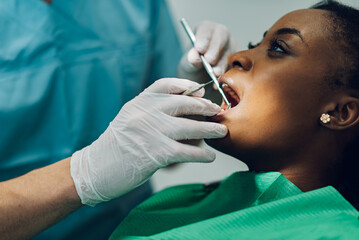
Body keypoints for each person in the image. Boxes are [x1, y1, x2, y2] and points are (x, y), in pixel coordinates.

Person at [109, 1, 359, 239]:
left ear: (340, 113)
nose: (237, 56)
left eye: (278, 48)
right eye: (255, 44)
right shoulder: (177, 202)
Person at [0, 0, 237, 239]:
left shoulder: (140, 6)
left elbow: (168, 153)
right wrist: (84, 175)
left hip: (130, 228)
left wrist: (196, 97)